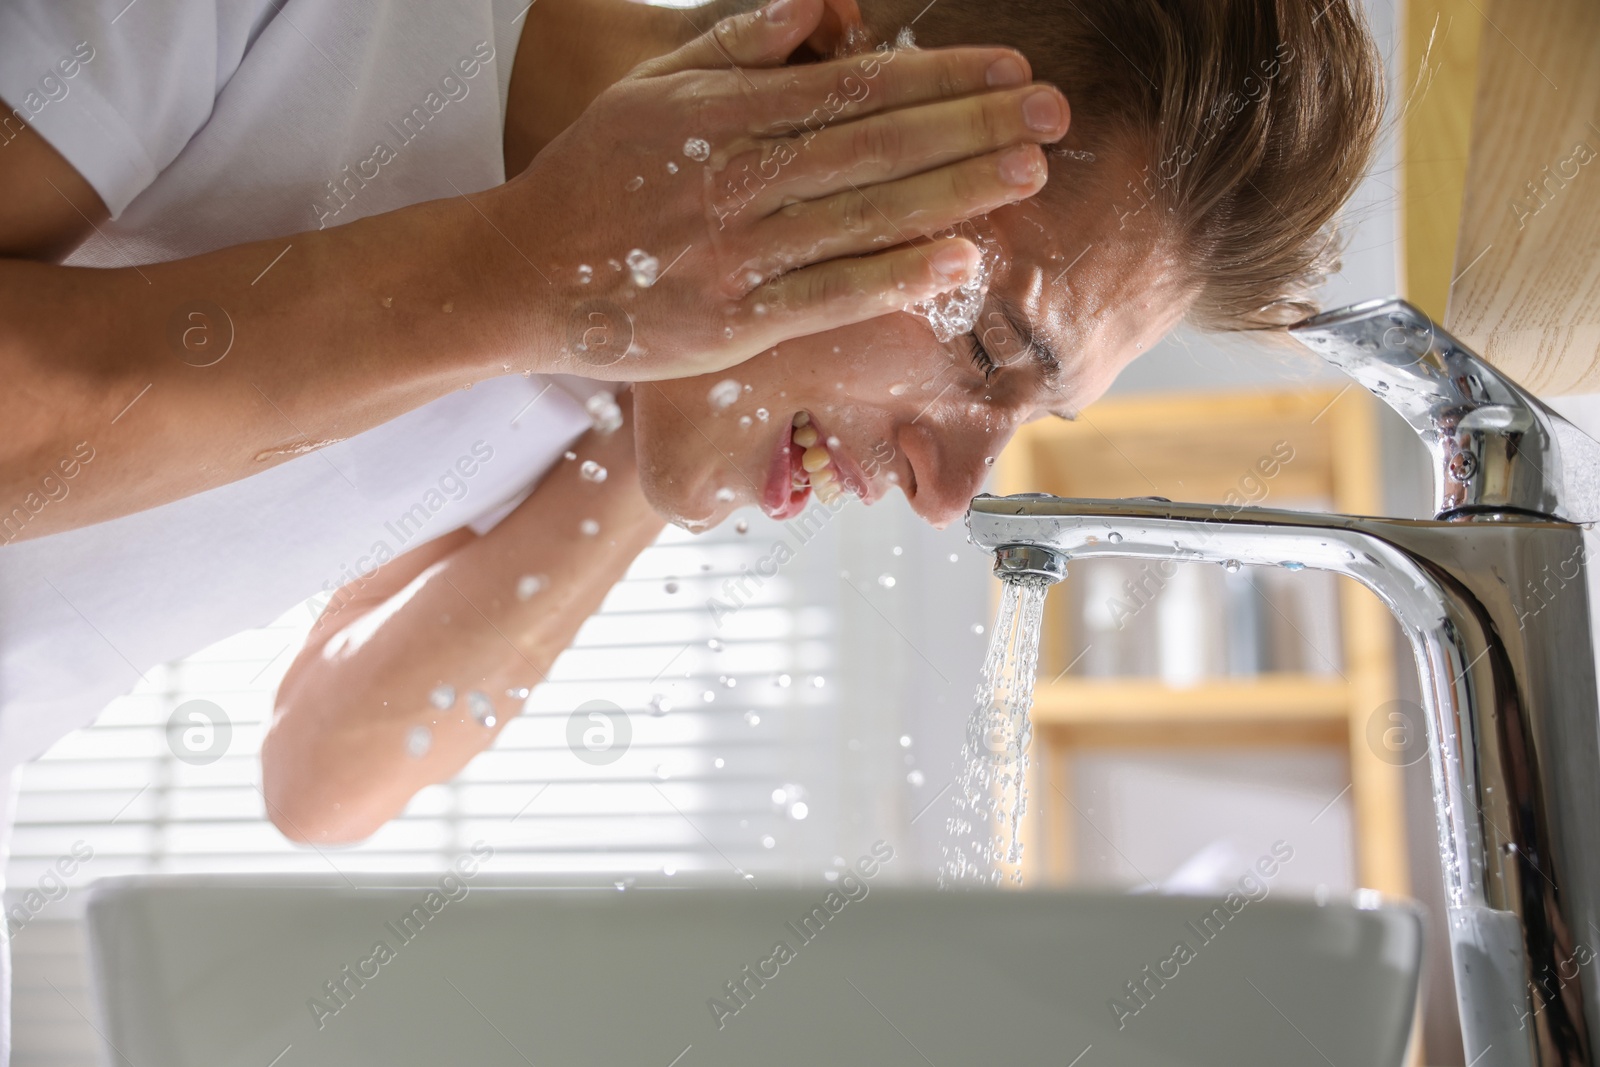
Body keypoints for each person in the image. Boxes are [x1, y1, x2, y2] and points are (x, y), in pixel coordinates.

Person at [0, 0, 1380, 849]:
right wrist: (527, 278)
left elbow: (327, 775)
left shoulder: (609, 375)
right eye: (989, 344)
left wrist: (669, 416)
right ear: (833, 65)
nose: (949, 488)